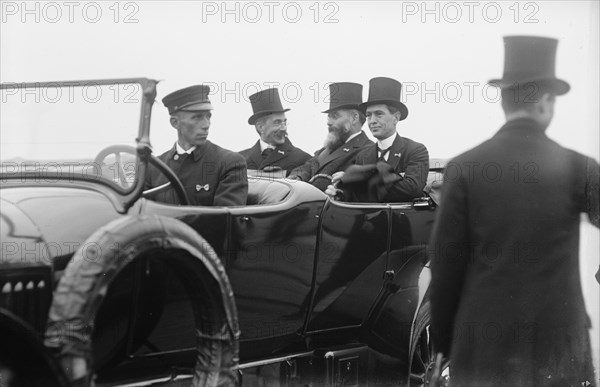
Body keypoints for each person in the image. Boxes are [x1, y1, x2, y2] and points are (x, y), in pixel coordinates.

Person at [429, 36, 599, 386]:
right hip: (559, 345)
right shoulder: (578, 167)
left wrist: (442, 346)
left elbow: (445, 264)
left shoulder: (464, 168)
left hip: (482, 347)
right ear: (546, 102)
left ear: (504, 101)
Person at [326, 77, 429, 202]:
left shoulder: (415, 150)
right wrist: (340, 193)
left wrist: (363, 180)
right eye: (369, 115)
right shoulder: (363, 155)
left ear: (396, 118)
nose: (372, 121)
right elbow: (357, 198)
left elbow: (412, 189)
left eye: (379, 114)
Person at [145, 84, 248, 206]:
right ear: (175, 123)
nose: (206, 125)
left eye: (208, 116)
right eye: (197, 117)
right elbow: (141, 213)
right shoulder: (154, 168)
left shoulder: (230, 163)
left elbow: (226, 219)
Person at [288, 82, 373, 191]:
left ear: (354, 118)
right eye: (329, 117)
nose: (329, 122)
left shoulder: (368, 151)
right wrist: (297, 177)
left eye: (335, 116)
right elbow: (307, 167)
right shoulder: (324, 150)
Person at [239, 88, 310, 176]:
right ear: (260, 127)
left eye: (285, 122)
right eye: (277, 122)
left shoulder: (302, 159)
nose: (283, 128)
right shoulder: (239, 160)